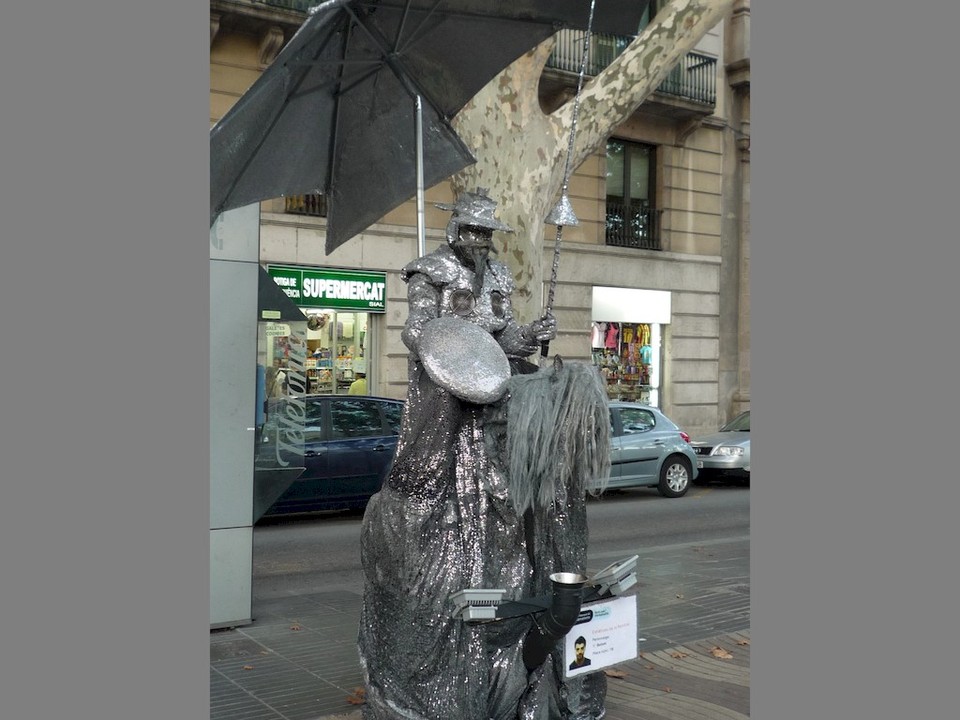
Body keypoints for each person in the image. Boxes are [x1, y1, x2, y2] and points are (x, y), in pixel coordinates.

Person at [358, 190, 566, 720]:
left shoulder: (497, 274)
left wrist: (528, 335)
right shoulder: (430, 271)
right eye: (471, 231)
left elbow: (508, 333)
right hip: (444, 399)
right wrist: (460, 341)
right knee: (430, 488)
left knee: (503, 500)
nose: (478, 241)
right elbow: (415, 330)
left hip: (493, 402)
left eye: (485, 233)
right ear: (454, 231)